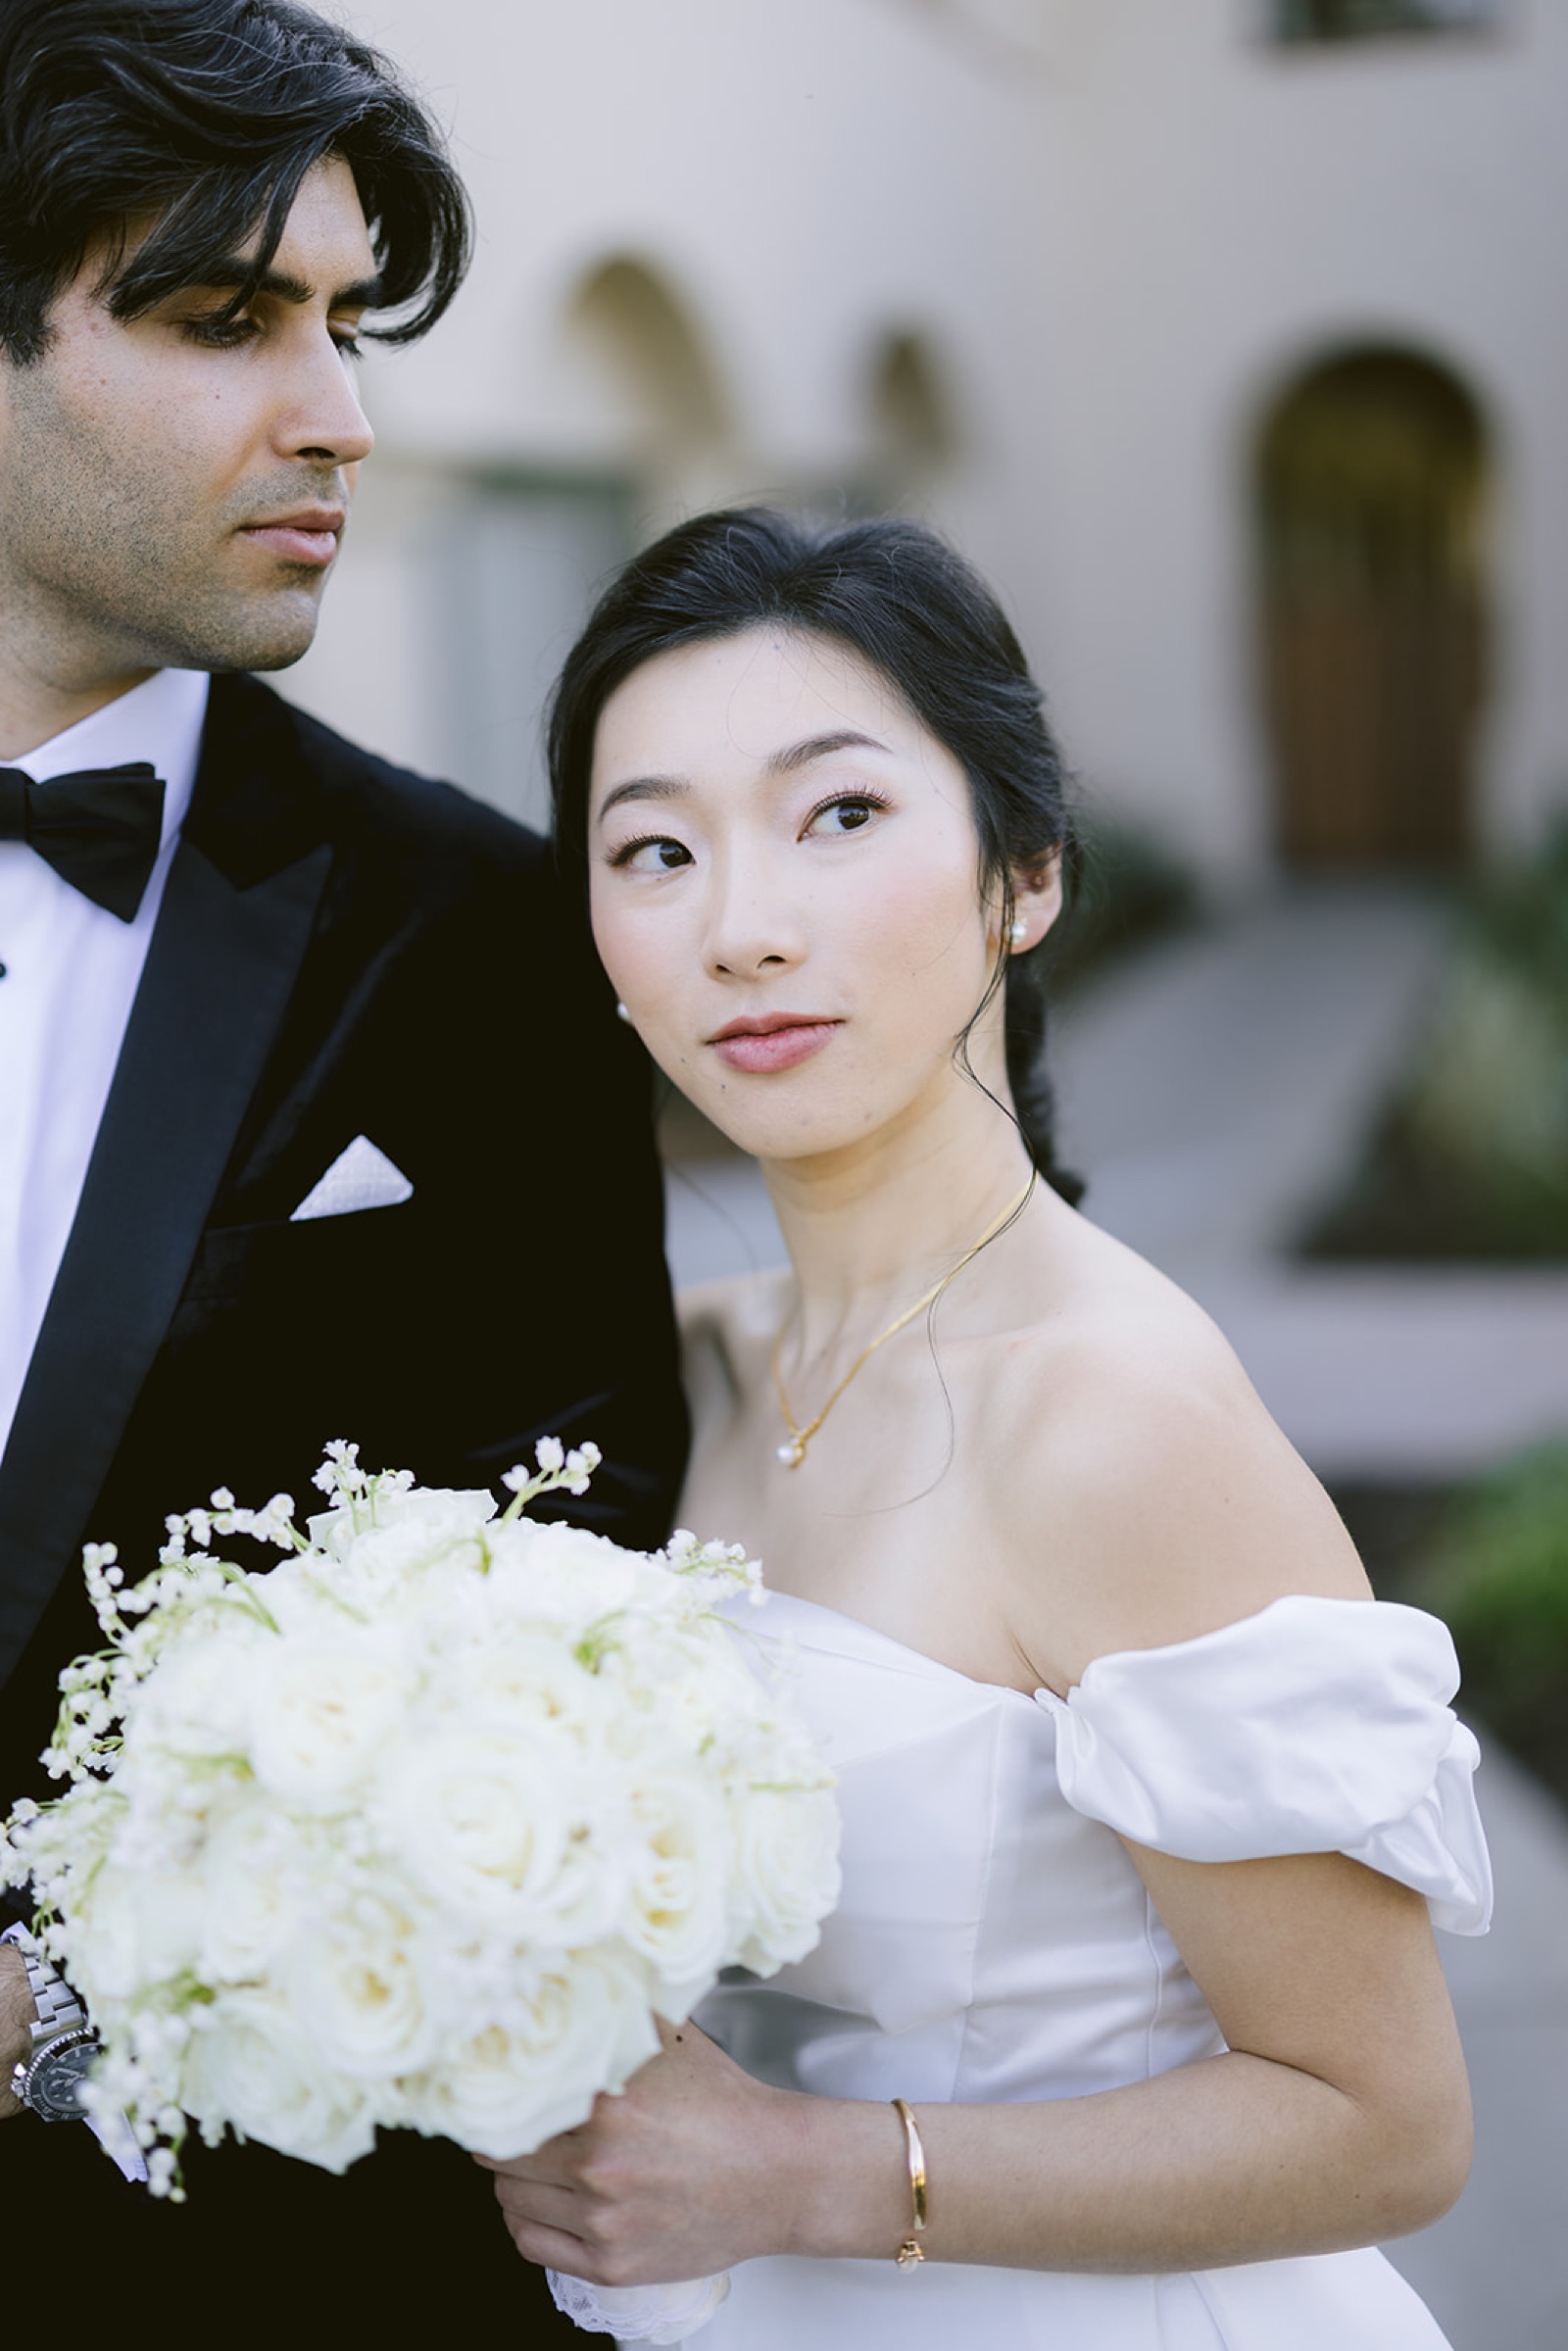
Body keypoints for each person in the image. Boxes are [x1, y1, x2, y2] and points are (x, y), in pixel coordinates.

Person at [481, 507, 1494, 2349]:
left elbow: (1388, 2122)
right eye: (655, 852)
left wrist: (803, 2174)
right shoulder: (688, 1376)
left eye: (840, 815)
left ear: (1021, 874)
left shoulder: (1109, 1420)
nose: (743, 927)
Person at [0, 3, 685, 2334]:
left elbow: (573, 1604)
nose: (344, 417)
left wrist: (67, 2004)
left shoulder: (487, 946)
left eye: (347, 324)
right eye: (225, 319)